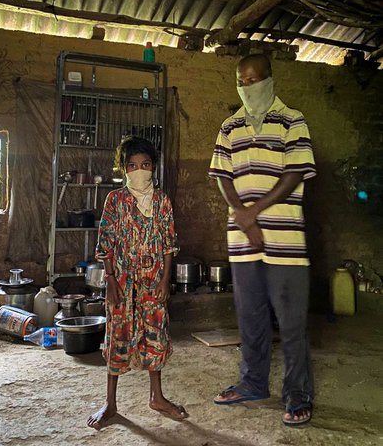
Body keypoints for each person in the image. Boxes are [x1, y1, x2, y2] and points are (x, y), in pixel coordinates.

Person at [209, 54, 316, 427]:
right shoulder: (230, 126)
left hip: (285, 242)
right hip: (243, 242)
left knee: (291, 324)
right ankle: (253, 383)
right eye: (242, 80)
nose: (248, 85)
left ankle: (298, 395)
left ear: (269, 79)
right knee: (250, 319)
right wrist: (242, 214)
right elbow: (223, 175)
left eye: (254, 79)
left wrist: (253, 213)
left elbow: (295, 172)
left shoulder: (292, 120)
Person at [87, 136, 188, 430]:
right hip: (121, 281)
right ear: (124, 169)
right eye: (132, 165)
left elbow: (169, 244)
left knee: (155, 336)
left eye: (145, 165)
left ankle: (157, 397)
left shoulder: (162, 201)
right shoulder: (115, 201)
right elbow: (105, 244)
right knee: (117, 336)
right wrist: (111, 280)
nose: (139, 170)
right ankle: (110, 403)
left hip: (153, 281)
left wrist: (165, 280)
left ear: (153, 167)